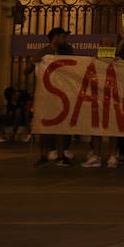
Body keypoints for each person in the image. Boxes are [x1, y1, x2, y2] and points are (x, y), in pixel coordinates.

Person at [31, 27, 76, 167]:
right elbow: (27, 70)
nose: (66, 40)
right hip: (45, 94)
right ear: (56, 37)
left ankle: (60, 155)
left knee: (61, 125)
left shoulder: (68, 51)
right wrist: (35, 61)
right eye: (63, 36)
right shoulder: (44, 52)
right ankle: (43, 155)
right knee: (44, 126)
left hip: (62, 94)